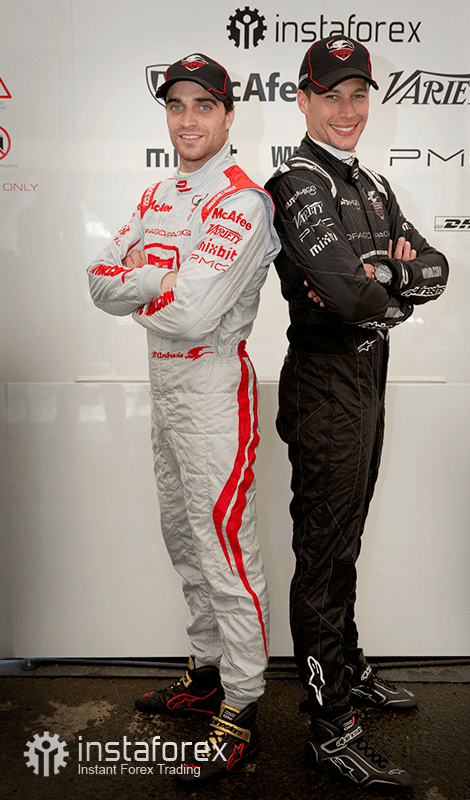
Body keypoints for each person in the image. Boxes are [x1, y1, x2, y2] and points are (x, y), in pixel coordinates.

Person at [87, 52, 280, 786]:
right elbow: (97, 282)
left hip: (213, 390)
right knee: (184, 540)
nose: (188, 119)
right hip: (164, 390)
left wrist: (144, 286)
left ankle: (243, 699)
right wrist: (159, 280)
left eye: (204, 105)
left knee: (225, 550)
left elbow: (195, 314)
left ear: (229, 115)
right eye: (176, 105)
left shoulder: (243, 202)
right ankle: (205, 673)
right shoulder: (158, 193)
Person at [265, 37, 449, 790]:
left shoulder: (373, 184)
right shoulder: (295, 182)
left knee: (346, 542)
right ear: (303, 100)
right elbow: (346, 295)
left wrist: (387, 279)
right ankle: (329, 723)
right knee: (322, 552)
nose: (346, 109)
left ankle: (347, 667)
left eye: (357, 93)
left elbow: (436, 268)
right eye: (329, 94)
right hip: (323, 384)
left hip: (368, 376)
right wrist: (387, 289)